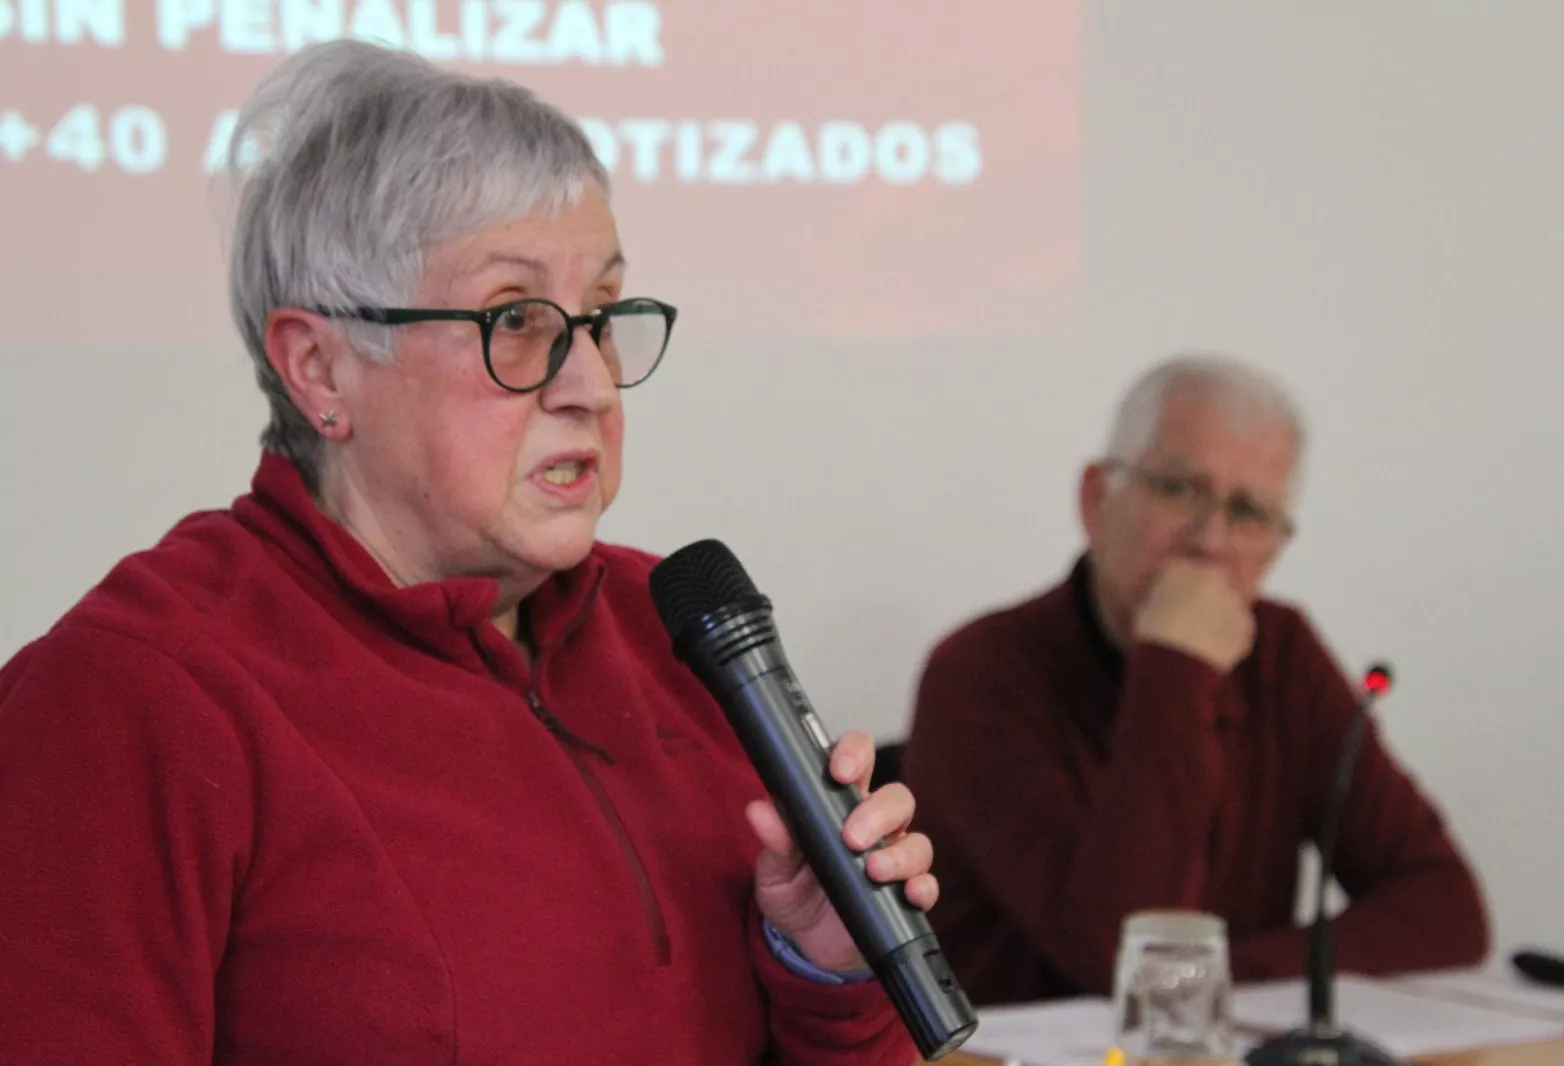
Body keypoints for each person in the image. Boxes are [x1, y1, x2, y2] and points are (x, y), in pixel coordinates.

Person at [0, 41, 937, 1064]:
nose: (586, 384)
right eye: (516, 320)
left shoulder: (669, 626)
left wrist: (828, 970)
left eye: (602, 318)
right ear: (319, 367)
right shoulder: (135, 694)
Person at [902, 354, 1489, 1006]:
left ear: (1275, 547)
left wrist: (1205, 980)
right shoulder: (980, 673)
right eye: (1179, 489)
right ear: (1096, 499)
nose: (1212, 541)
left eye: (1249, 511)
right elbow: (1113, 953)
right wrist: (1176, 668)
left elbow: (1447, 911)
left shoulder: (1282, 653)